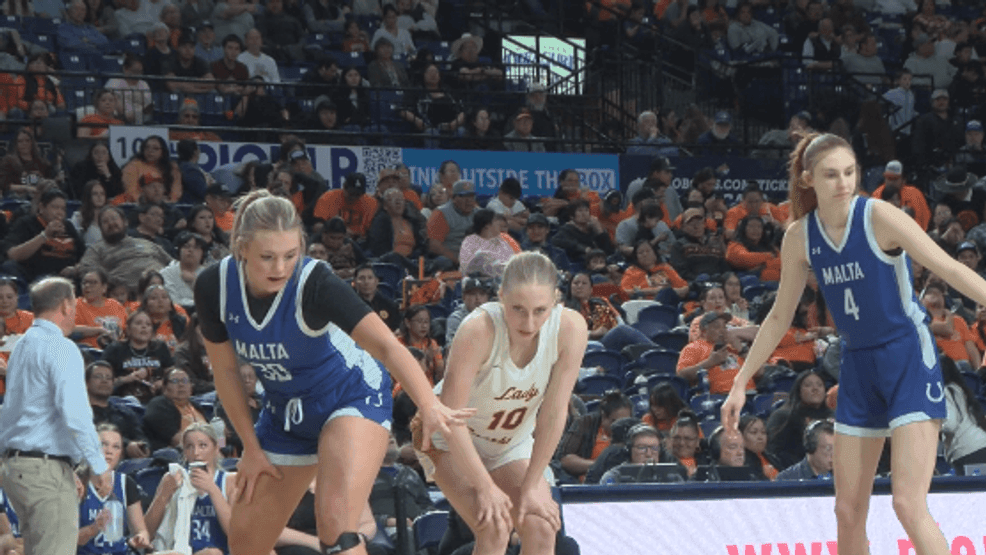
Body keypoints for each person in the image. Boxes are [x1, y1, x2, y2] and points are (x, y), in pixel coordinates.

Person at [721, 132, 986, 555]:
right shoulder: (799, 236)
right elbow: (777, 317)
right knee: (846, 511)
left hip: (907, 356)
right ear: (808, 179)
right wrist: (740, 381)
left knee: (907, 504)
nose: (843, 182)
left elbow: (951, 270)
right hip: (859, 364)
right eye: (831, 174)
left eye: (850, 172)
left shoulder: (879, 216)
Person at [192, 190, 469, 555]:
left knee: (336, 524)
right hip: (286, 409)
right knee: (245, 541)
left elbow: (387, 345)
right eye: (267, 257)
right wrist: (251, 447)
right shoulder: (214, 286)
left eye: (290, 256)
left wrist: (428, 404)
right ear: (241, 248)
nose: (279, 268)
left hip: (350, 394)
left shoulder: (316, 283)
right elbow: (226, 372)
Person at [413, 251, 585, 554]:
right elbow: (452, 420)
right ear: (501, 296)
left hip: (508, 442)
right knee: (494, 524)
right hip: (445, 437)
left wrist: (532, 485)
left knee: (542, 525)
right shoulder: (477, 330)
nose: (529, 323)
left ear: (557, 300)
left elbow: (554, 413)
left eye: (540, 310)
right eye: (518, 309)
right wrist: (484, 486)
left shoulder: (571, 329)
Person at [0, 277, 110, 555]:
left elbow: (10, 409)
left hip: (18, 467)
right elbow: (75, 412)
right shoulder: (61, 347)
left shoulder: (21, 346)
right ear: (65, 304)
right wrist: (98, 464)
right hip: (43, 469)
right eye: (73, 304)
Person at [144, 422, 233, 553]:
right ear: (184, 452)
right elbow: (146, 534)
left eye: (203, 446)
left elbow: (236, 534)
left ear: (216, 448)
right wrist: (163, 496)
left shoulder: (229, 480)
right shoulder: (173, 478)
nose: (196, 453)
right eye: (189, 447)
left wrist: (213, 490)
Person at [76, 423, 153, 554]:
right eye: (103, 445)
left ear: (120, 454)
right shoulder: (78, 483)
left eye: (116, 447)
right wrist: (94, 529)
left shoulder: (126, 483)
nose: (109, 451)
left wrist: (140, 538)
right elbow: (69, 539)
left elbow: (141, 530)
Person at [2, 187, 84, 284]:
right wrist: (44, 235)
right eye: (55, 207)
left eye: (63, 209)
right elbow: (13, 254)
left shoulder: (68, 226)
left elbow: (83, 254)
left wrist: (75, 268)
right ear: (41, 207)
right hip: (38, 278)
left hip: (69, 277)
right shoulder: (26, 223)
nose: (59, 212)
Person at [554, 390, 633, 482]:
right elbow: (565, 459)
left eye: (626, 421)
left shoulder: (633, 429)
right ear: (604, 416)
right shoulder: (585, 423)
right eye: (615, 421)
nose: (621, 426)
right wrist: (600, 466)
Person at [102, 309, 174, 405]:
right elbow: (102, 381)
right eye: (138, 323)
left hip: (157, 401)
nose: (144, 327)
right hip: (123, 402)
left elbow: (172, 374)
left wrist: (163, 383)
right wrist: (127, 379)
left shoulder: (160, 347)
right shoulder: (115, 349)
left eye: (148, 325)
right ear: (128, 329)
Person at [86, 361, 150, 459]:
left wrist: (143, 447)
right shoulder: (80, 413)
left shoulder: (125, 412)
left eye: (108, 378)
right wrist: (127, 445)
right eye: (98, 376)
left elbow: (140, 436)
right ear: (86, 383)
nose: (104, 381)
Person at [939, 357, 986, 474]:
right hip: (980, 445)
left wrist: (933, 425)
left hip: (968, 452)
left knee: (970, 491)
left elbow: (950, 423)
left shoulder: (945, 391)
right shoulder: (960, 389)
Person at [459, 209, 521, 279]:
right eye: (496, 221)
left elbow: (512, 262)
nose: (500, 224)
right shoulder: (470, 241)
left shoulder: (502, 241)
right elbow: (466, 269)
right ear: (487, 226)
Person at [75, 269, 128, 349]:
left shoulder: (115, 305)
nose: (87, 285)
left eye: (93, 283)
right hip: (89, 353)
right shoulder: (75, 304)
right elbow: (69, 329)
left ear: (104, 287)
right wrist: (98, 330)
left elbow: (128, 329)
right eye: (84, 283)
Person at [739, 414, 778, 480]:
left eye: (763, 432)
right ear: (740, 436)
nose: (760, 437)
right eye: (753, 432)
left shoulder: (772, 458)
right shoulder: (741, 462)